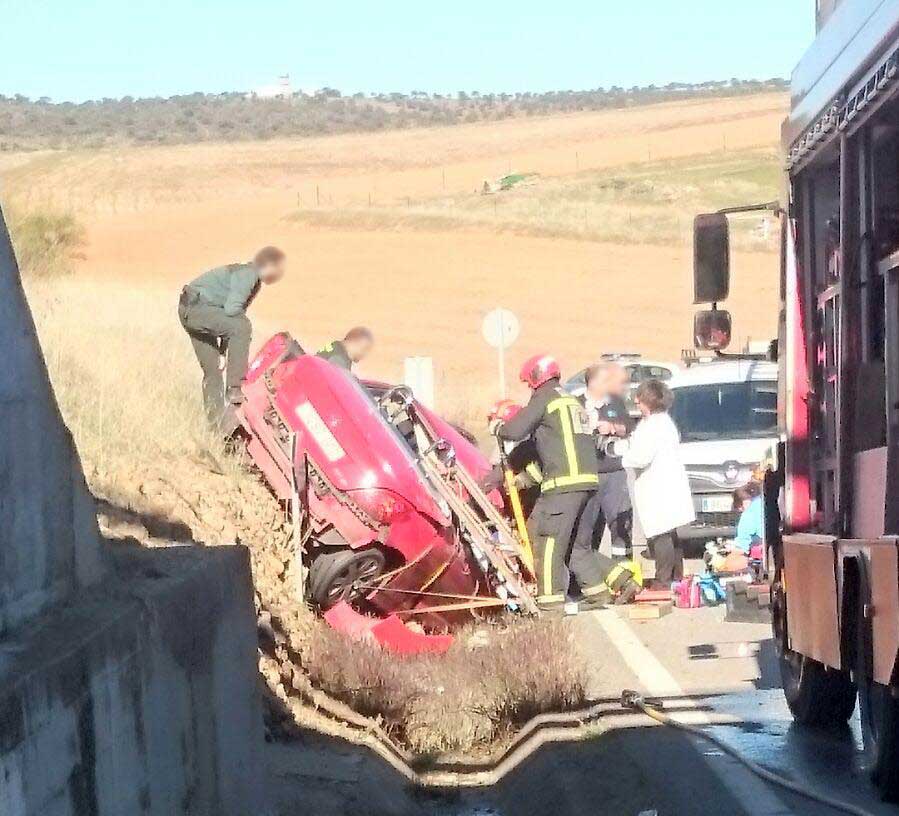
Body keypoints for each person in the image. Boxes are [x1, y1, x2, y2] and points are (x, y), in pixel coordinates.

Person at [495, 354, 608, 613]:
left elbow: (515, 430)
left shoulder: (545, 398)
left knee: (548, 543)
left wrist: (499, 428)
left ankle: (550, 603)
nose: (529, 388)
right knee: (577, 546)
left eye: (528, 382)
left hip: (563, 485)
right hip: (588, 483)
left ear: (536, 377)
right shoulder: (571, 401)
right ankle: (598, 593)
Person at [179, 246, 286, 428]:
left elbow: (228, 321)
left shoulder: (251, 276)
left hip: (191, 310)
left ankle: (217, 426)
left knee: (213, 373)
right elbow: (232, 311)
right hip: (198, 309)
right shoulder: (249, 274)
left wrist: (222, 352)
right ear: (269, 266)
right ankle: (235, 389)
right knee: (243, 326)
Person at [621, 379, 695, 588]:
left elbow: (641, 457)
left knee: (660, 534)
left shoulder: (654, 425)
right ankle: (676, 576)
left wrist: (623, 456)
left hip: (658, 487)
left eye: (640, 398)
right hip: (665, 483)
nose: (636, 401)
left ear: (649, 400)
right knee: (670, 533)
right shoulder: (662, 422)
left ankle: (663, 580)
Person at [577, 362, 635, 561]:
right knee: (587, 530)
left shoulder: (615, 403)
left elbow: (628, 427)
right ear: (592, 382)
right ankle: (587, 579)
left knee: (621, 526)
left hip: (613, 474)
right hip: (588, 474)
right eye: (604, 380)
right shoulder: (575, 404)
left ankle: (624, 572)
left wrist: (613, 427)